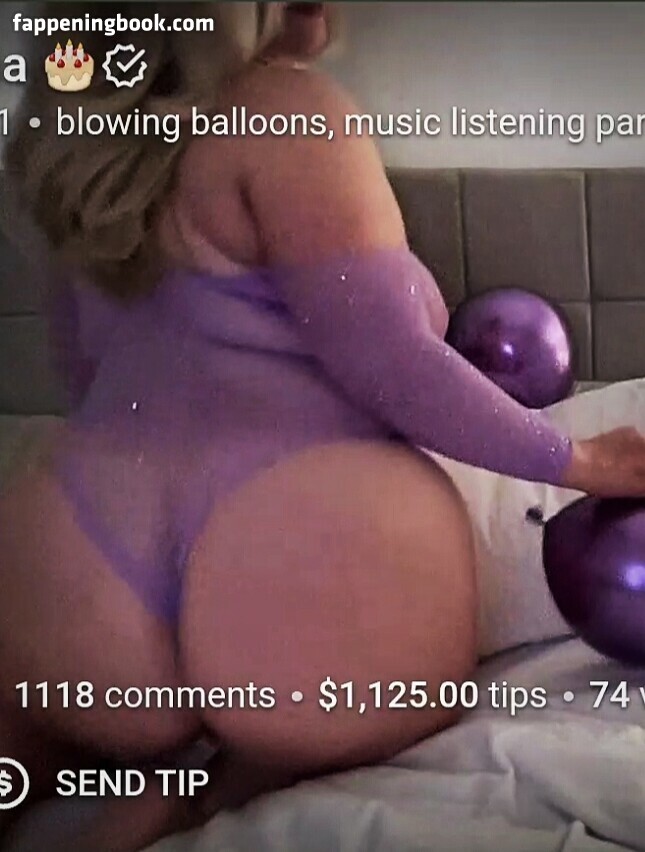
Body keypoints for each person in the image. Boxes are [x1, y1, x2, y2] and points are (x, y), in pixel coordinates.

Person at [2, 2, 645, 849]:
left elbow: (79, 369)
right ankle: (206, 791)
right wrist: (576, 458)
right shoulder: (285, 111)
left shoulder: (72, 134)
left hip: (75, 558)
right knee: (307, 713)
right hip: (301, 564)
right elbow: (393, 363)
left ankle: (127, 771)